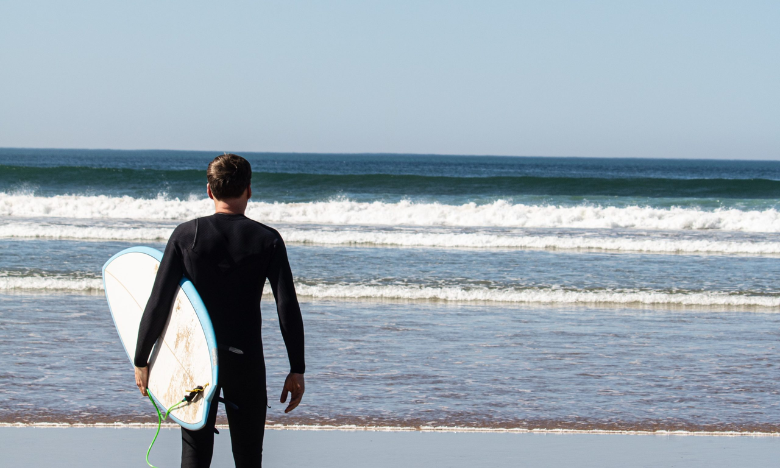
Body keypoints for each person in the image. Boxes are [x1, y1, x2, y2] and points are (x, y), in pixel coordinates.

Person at [132, 153, 305, 468]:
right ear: (249, 190)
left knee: (195, 457)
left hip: (196, 362)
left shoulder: (186, 235)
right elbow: (287, 307)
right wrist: (297, 368)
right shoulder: (269, 240)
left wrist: (141, 359)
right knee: (249, 459)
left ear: (209, 191)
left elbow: (159, 302)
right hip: (247, 361)